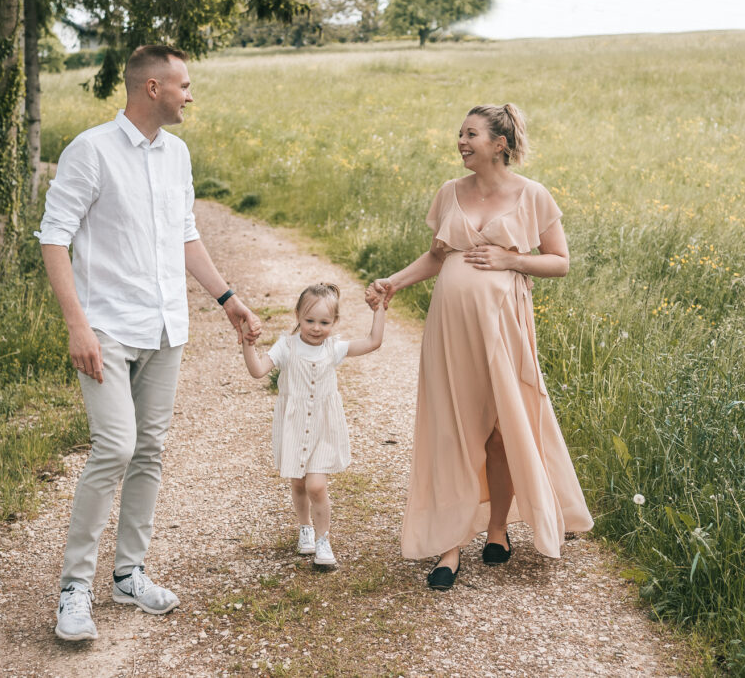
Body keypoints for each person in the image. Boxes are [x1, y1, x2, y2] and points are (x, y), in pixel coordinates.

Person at [38, 44, 262, 641]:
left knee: (150, 451)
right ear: (154, 88)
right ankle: (73, 589)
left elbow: (186, 234)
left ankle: (128, 574)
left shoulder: (177, 154)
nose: (191, 95)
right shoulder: (90, 151)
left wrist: (227, 298)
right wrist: (76, 324)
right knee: (114, 446)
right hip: (106, 327)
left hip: (166, 328)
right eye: (184, 85)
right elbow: (54, 238)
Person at [367, 104, 594, 590]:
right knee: (452, 429)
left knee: (500, 429)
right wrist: (394, 283)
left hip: (505, 327)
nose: (461, 141)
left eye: (471, 134)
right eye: (460, 134)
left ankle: (497, 531)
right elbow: (436, 256)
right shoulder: (450, 192)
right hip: (450, 329)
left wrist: (512, 260)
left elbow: (560, 262)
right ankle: (449, 545)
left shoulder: (533, 195)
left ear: (500, 144)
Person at [241, 283, 385, 567]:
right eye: (309, 321)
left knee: (316, 485)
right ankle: (305, 528)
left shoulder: (333, 348)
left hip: (323, 429)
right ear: (297, 315)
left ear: (335, 322)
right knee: (298, 482)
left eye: (324, 322)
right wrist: (248, 344)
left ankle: (322, 539)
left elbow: (373, 342)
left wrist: (379, 309)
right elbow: (258, 371)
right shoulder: (286, 346)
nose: (316, 328)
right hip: (294, 427)